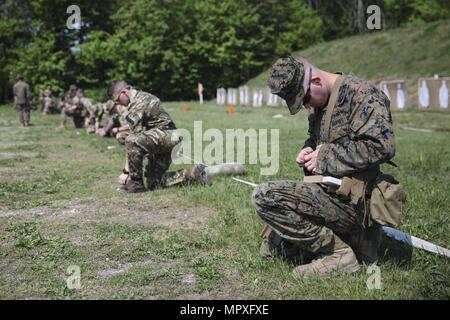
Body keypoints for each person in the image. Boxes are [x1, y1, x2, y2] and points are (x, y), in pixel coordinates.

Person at [252, 56, 396, 277]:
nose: (308, 105)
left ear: (316, 80)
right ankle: (334, 245)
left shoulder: (362, 94)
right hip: (331, 195)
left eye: (306, 98)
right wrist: (308, 149)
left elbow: (382, 147)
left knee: (264, 196)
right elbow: (316, 137)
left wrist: (325, 156)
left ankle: (338, 253)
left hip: (356, 206)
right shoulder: (320, 103)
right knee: (273, 248)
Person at [107, 80, 211, 193]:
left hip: (167, 136)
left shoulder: (139, 103)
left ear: (125, 92)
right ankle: (194, 174)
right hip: (163, 138)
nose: (119, 104)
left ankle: (136, 183)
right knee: (154, 183)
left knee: (131, 140)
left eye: (117, 100)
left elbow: (133, 139)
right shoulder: (138, 100)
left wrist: (126, 172)